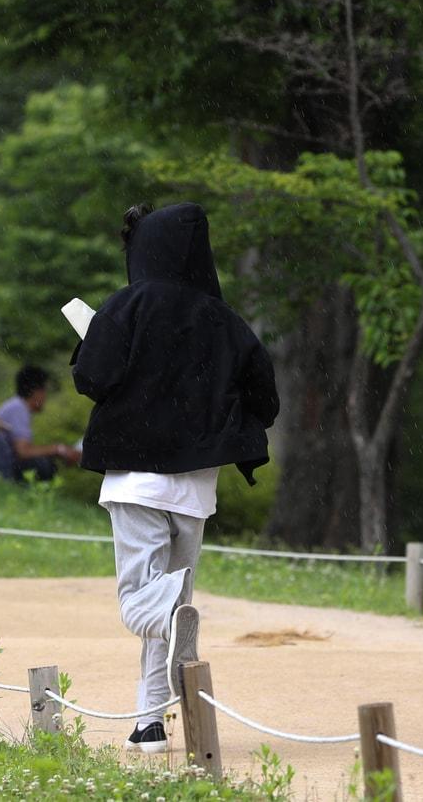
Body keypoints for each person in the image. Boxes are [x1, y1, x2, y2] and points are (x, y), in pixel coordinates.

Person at [71, 201, 279, 755]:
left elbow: (92, 378)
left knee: (142, 601)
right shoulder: (227, 322)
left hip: (136, 482)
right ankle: (150, 723)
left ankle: (170, 619)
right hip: (195, 490)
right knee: (171, 601)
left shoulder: (127, 306)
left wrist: (87, 341)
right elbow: (266, 399)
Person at [0, 365, 81, 482]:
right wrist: (58, 449)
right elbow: (23, 452)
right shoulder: (18, 409)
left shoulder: (16, 406)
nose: (45, 397)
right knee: (43, 466)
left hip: (1, 461)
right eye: (44, 391)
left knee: (44, 463)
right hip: (2, 465)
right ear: (36, 392)